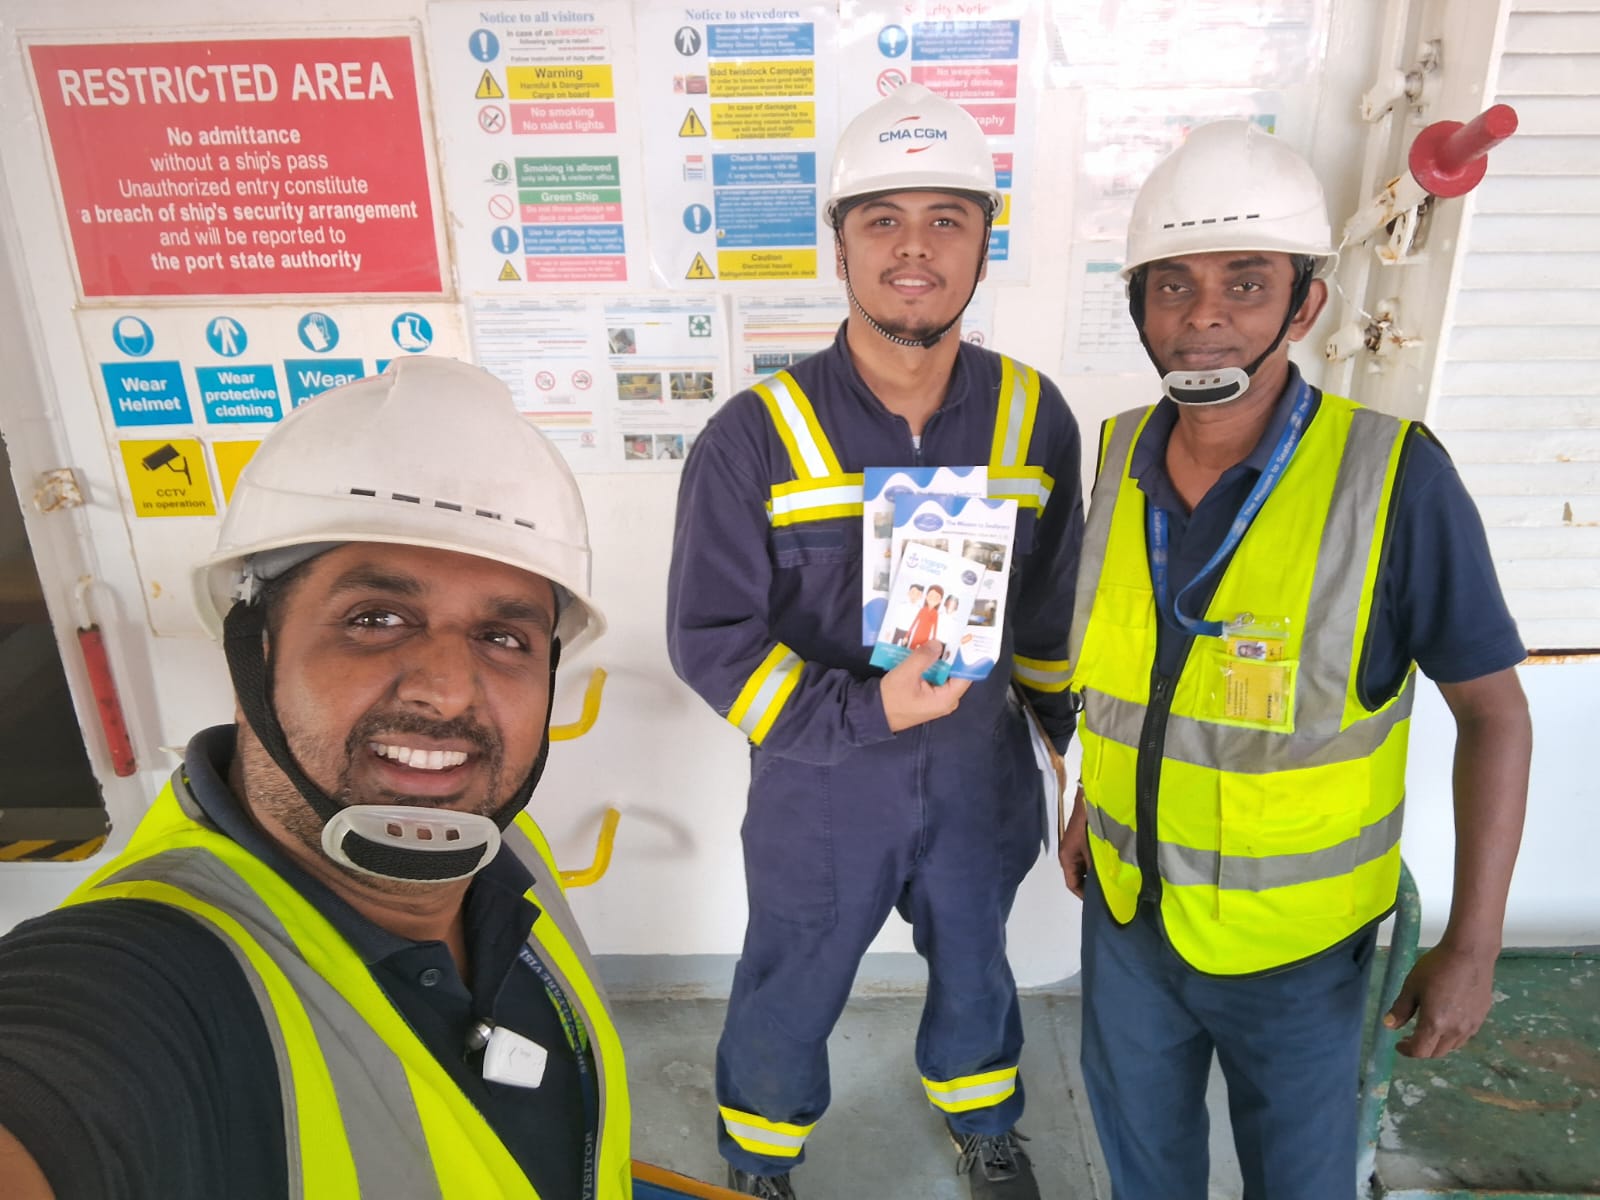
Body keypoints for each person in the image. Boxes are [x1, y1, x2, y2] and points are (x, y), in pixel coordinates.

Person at [0, 357, 634, 1199]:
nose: (447, 690)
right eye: (377, 618)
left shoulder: (511, 853)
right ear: (252, 654)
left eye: (503, 638)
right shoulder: (148, 980)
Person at [1057, 120, 1532, 1200]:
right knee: (1144, 1171)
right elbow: (1138, 670)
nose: (1204, 315)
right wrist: (1097, 796)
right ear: (1137, 306)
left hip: (1297, 956)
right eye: (1172, 286)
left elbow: (1495, 715)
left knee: (1301, 1182)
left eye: (1245, 282)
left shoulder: (1393, 478)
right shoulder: (1118, 453)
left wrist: (1473, 944)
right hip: (1129, 915)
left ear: (1305, 305)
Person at [667, 83, 1084, 1199]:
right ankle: (759, 1158)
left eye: (946, 219)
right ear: (840, 241)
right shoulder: (756, 435)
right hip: (821, 785)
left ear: (984, 240)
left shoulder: (1032, 416)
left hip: (979, 774)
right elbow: (709, 638)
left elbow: (1050, 615)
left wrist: (1071, 762)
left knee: (978, 966)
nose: (914, 248)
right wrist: (863, 710)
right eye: (882, 220)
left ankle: (983, 1121)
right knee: (791, 977)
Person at [906, 584, 944, 651]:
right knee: (911, 650)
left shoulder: (935, 613)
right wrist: (906, 636)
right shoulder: (923, 610)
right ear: (926, 596)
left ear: (940, 600)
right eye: (931, 596)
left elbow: (935, 628)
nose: (933, 599)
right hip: (916, 635)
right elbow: (914, 623)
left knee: (921, 652)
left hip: (925, 638)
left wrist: (933, 641)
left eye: (936, 597)